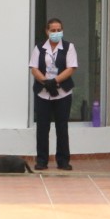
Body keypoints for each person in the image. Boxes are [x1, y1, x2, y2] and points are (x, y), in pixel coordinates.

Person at [29, 17, 78, 171]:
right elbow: (33, 68)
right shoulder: (39, 48)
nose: (56, 33)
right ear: (47, 31)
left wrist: (55, 81)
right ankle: (42, 160)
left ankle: (63, 160)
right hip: (43, 93)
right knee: (42, 128)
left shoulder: (69, 47)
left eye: (59, 30)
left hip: (62, 93)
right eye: (53, 30)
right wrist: (45, 82)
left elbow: (71, 68)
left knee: (61, 128)